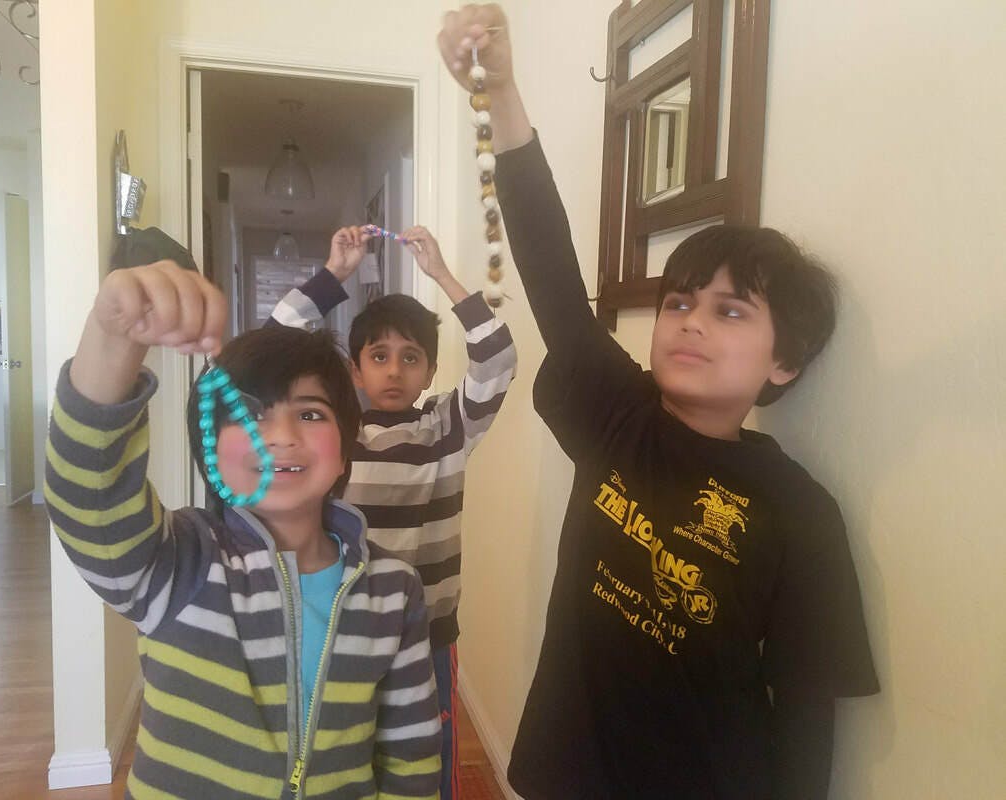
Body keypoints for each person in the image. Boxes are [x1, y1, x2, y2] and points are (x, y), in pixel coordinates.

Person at [437, 6, 879, 799]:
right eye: (679, 302)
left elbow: (805, 715)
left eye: (729, 311)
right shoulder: (620, 417)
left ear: (783, 362)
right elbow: (550, 269)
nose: (690, 322)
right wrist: (500, 92)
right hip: (566, 772)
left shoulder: (799, 512)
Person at [44, 260, 441, 799]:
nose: (280, 436)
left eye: (310, 414)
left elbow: (410, 757)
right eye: (251, 415)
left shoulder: (394, 589)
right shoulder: (180, 561)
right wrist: (112, 338)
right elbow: (87, 495)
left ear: (346, 450)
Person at [269, 224, 517, 800]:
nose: (394, 370)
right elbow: (272, 347)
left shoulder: (449, 427)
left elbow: (498, 358)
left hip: (429, 635)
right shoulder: (334, 434)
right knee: (343, 755)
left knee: (426, 758)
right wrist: (335, 275)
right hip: (345, 630)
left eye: (411, 358)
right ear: (355, 371)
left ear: (429, 372)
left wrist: (443, 275)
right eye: (378, 356)